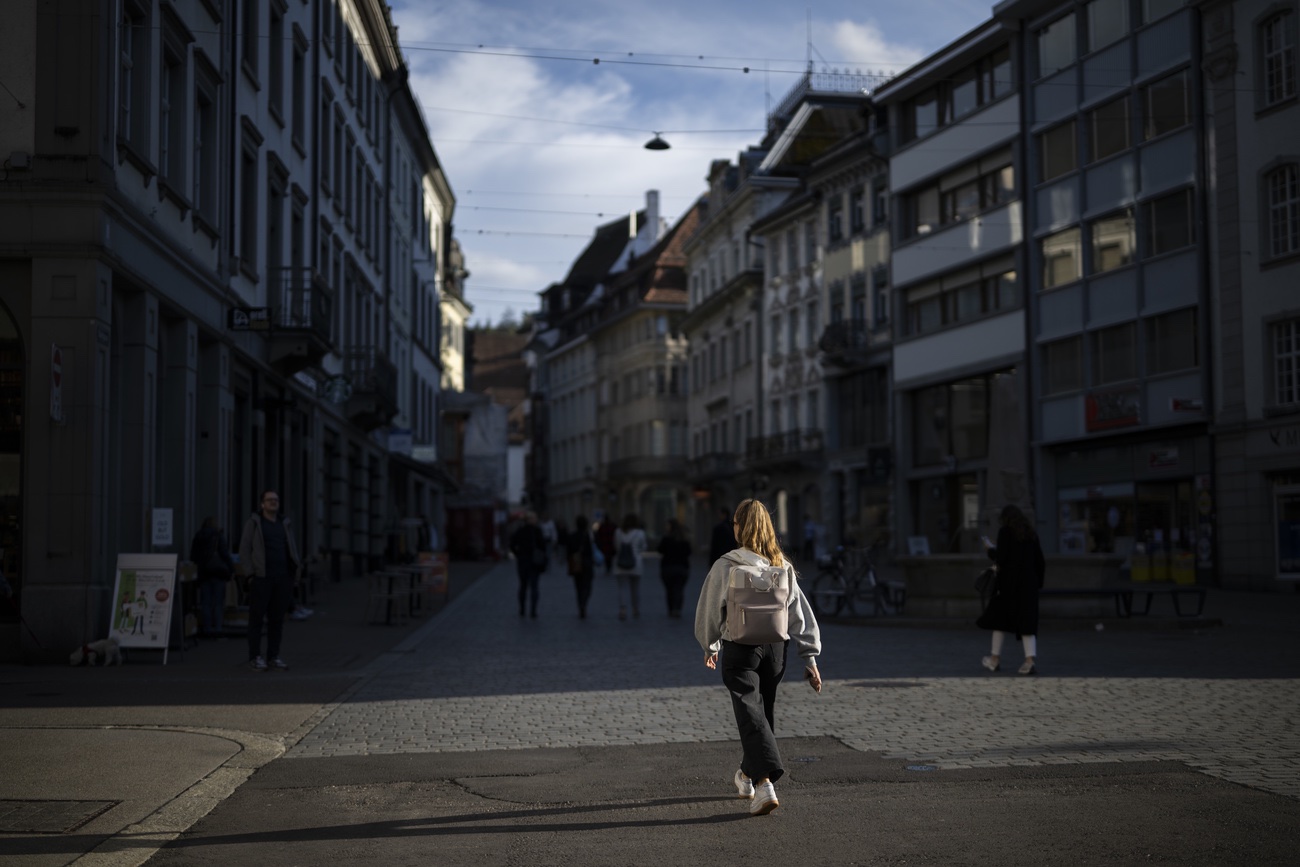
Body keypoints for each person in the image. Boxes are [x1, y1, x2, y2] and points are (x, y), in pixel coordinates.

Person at [695, 498, 822, 816]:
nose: (733, 528)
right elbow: (799, 613)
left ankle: (765, 783)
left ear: (739, 527)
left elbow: (709, 611)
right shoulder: (781, 564)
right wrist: (810, 657)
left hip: (741, 649)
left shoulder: (727, 565)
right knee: (762, 715)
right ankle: (746, 775)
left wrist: (710, 646)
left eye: (734, 524)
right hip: (775, 651)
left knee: (750, 715)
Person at [977, 504, 1046, 675]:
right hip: (1029, 585)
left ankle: (994, 659)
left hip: (1009, 586)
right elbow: (1040, 561)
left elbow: (1001, 560)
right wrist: (1038, 583)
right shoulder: (1031, 534)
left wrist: (989, 550)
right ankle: (1029, 661)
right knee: (1027, 623)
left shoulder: (1005, 532)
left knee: (999, 621)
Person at [237, 490, 302, 672]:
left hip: (282, 579)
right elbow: (244, 549)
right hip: (261, 578)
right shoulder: (254, 523)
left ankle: (273, 656)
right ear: (262, 504)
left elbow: (292, 548)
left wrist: (295, 573)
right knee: (256, 619)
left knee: (277, 620)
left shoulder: (284, 523)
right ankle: (255, 656)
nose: (273, 502)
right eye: (269, 500)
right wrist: (250, 574)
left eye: (276, 500)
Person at [189, 516, 234, 636]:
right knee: (218, 602)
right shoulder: (218, 536)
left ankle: (207, 628)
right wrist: (231, 568)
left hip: (203, 572)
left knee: (206, 602)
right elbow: (224, 553)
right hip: (218, 572)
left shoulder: (198, 536)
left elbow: (193, 555)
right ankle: (218, 628)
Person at [509, 511, 547, 619]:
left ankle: (522, 609)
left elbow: (512, 545)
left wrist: (518, 555)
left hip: (523, 562)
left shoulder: (520, 531)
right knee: (534, 587)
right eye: (534, 518)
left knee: (523, 586)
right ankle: (533, 610)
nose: (535, 520)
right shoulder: (537, 531)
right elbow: (543, 546)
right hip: (534, 562)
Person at [612, 513, 647, 620]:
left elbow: (616, 547)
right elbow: (644, 547)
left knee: (622, 588)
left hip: (621, 563)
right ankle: (635, 609)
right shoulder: (640, 533)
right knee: (635, 588)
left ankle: (623, 609)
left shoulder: (618, 532)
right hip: (636, 563)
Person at [657, 518, 692, 618]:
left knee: (669, 590)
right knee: (679, 589)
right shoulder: (684, 539)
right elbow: (689, 552)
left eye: (667, 525)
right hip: (682, 568)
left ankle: (671, 609)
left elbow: (659, 550)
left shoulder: (666, 539)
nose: (666, 527)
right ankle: (677, 609)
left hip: (668, 568)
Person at [564, 514, 596, 618]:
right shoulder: (588, 536)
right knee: (587, 586)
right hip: (587, 563)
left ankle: (580, 605)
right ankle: (583, 603)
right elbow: (591, 551)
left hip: (576, 563)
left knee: (578, 587)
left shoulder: (572, 536)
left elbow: (568, 551)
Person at [595, 512, 618, 576]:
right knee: (609, 557)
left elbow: (598, 536)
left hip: (606, 545)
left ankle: (608, 567)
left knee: (607, 557)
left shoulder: (603, 527)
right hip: (609, 545)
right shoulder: (611, 526)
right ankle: (609, 567)